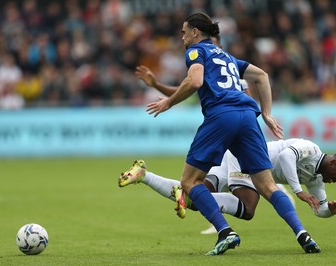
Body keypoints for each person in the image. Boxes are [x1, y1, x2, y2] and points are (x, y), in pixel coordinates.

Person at [130, 12, 319, 255]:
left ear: (196, 33)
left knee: (189, 182)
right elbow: (262, 76)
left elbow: (195, 82)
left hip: (222, 116)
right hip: (248, 117)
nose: (182, 37)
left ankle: (225, 232)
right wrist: (267, 113)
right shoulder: (227, 57)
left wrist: (168, 103)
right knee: (267, 185)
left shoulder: (195, 52)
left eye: (184, 31)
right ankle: (303, 234)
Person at [118, 138, 336, 233]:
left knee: (195, 199)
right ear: (333, 161)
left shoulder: (317, 180)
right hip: (245, 160)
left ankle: (143, 174)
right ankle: (174, 187)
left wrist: (329, 210)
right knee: (248, 208)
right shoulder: (311, 149)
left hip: (237, 160)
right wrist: (297, 191)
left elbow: (318, 208)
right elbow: (287, 157)